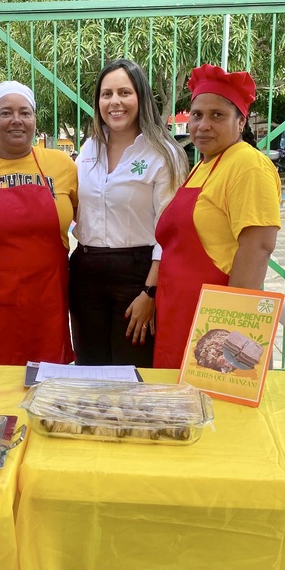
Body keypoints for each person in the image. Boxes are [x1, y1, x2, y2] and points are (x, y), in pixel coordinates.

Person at [153, 64, 280, 369]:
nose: (203, 125)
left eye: (217, 115)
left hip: (212, 325)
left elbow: (257, 248)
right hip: (179, 314)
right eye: (197, 115)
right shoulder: (205, 165)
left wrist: (233, 341)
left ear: (241, 121)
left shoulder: (248, 165)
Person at [70, 58, 186, 366]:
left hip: (137, 275)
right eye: (106, 94)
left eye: (125, 92)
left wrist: (150, 293)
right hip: (86, 271)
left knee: (132, 372)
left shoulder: (164, 153)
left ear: (141, 97)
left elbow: (170, 232)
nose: (115, 102)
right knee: (89, 370)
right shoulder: (89, 148)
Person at [0, 81, 78, 365]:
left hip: (47, 303)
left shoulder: (62, 165)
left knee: (48, 384)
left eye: (25, 113)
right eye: (5, 113)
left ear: (35, 119)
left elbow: (85, 221)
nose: (17, 120)